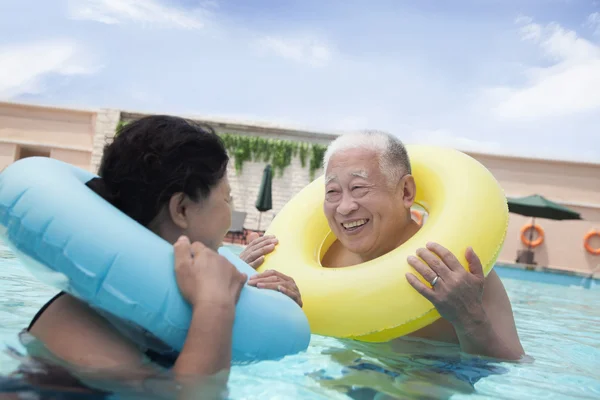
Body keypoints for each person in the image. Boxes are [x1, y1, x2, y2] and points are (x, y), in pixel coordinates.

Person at [22, 115, 302, 396]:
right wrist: (215, 307)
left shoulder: (151, 303)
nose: (229, 211)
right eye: (226, 198)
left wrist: (268, 306)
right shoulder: (76, 321)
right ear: (181, 209)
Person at [244, 130, 525, 362]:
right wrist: (243, 280)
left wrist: (469, 318)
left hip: (433, 380)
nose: (344, 207)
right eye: (332, 192)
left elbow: (511, 365)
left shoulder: (460, 272)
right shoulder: (320, 264)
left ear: (406, 192)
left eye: (359, 188)